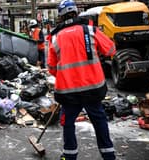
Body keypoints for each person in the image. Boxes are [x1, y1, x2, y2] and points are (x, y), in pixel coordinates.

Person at [47, 0, 116, 160]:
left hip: (68, 92)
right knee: (99, 121)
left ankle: (69, 156)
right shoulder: (90, 29)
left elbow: (51, 68)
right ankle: (109, 156)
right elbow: (111, 49)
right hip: (93, 88)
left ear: (61, 16)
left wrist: (66, 76)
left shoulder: (55, 36)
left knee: (68, 123)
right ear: (76, 12)